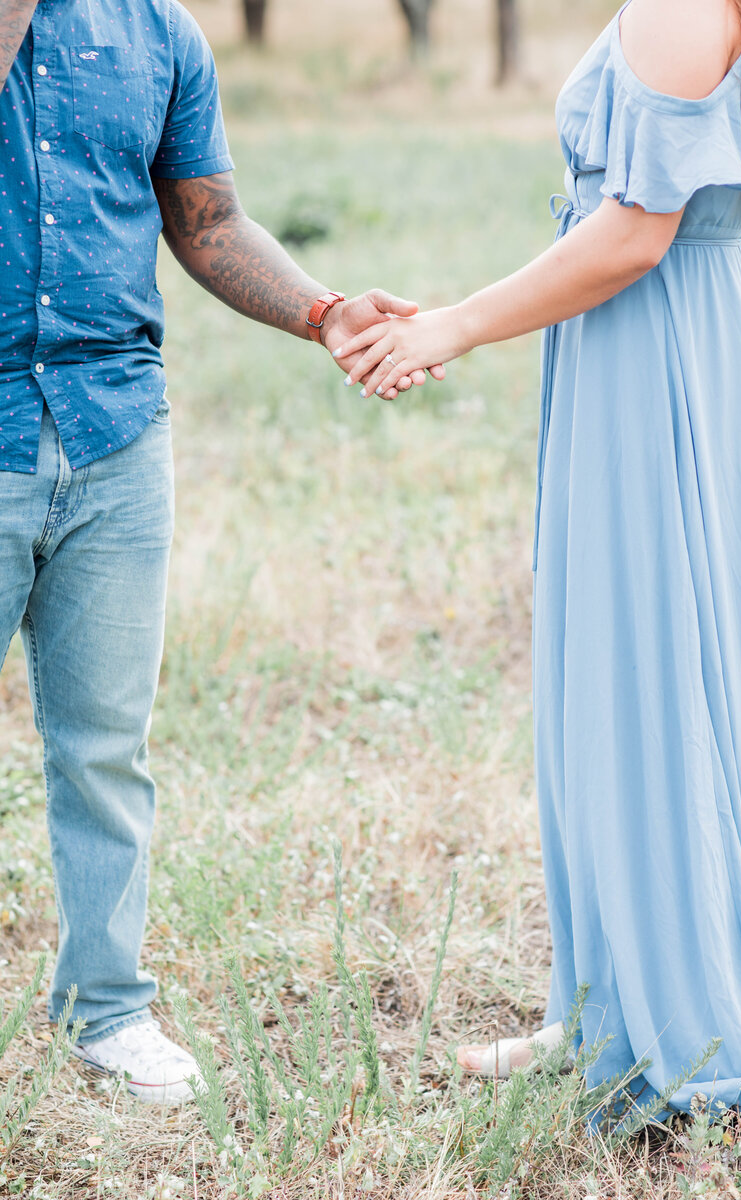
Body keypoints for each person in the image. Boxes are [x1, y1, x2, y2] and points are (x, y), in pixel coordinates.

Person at [337, 0, 741, 1122]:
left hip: (653, 355)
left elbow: (635, 236)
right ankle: (612, 999)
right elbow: (735, 224)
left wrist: (448, 325)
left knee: (650, 681)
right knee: (667, 678)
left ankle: (680, 1012)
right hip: (695, 347)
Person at [0, 0, 444, 1105]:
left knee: (106, 748)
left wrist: (323, 313)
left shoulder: (162, 32)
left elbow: (208, 221)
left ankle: (107, 1010)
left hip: (114, 430)